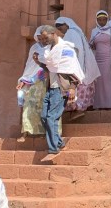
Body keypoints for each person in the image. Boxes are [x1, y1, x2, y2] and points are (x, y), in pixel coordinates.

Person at [35, 24, 84, 155]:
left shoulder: (66, 49)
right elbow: (51, 68)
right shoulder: (49, 51)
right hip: (50, 88)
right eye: (42, 39)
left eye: (46, 38)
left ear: (54, 34)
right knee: (44, 116)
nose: (44, 41)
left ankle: (53, 148)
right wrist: (39, 63)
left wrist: (72, 88)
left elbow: (72, 69)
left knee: (51, 117)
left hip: (60, 89)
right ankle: (58, 142)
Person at [16, 27, 59, 141]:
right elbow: (29, 65)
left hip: (48, 81)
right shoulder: (34, 48)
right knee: (29, 105)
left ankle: (44, 133)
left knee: (45, 107)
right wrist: (23, 79)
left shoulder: (53, 47)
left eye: (44, 38)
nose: (42, 41)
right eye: (39, 38)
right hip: (33, 81)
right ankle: (26, 132)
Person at [54, 16, 101, 111]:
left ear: (66, 24)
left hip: (77, 64)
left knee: (75, 86)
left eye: (61, 28)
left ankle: (76, 109)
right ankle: (81, 108)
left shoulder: (71, 32)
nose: (61, 31)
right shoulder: (78, 31)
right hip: (84, 64)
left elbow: (71, 50)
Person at [89, 10, 111, 110]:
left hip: (108, 59)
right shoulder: (94, 31)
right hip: (97, 59)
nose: (102, 22)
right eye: (100, 20)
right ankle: (98, 105)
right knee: (98, 81)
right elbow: (92, 46)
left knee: (107, 81)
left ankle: (108, 104)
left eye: (104, 19)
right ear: (97, 20)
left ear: (107, 20)